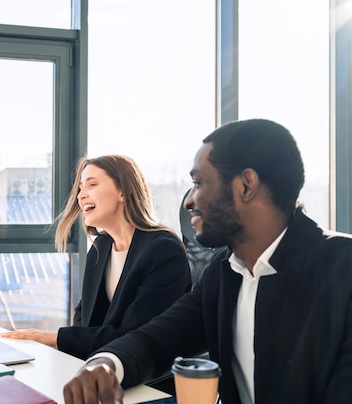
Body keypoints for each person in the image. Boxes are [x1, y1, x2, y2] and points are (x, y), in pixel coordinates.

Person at [62, 119, 352, 404]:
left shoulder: (342, 269)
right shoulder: (223, 273)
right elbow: (156, 339)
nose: (189, 201)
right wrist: (104, 364)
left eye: (199, 183)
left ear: (246, 186)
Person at [1, 155, 191, 360]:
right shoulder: (101, 248)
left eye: (92, 184)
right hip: (103, 365)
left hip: (147, 378)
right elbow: (84, 319)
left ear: (123, 191)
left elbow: (136, 336)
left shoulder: (162, 250)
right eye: (81, 188)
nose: (81, 196)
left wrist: (54, 338)